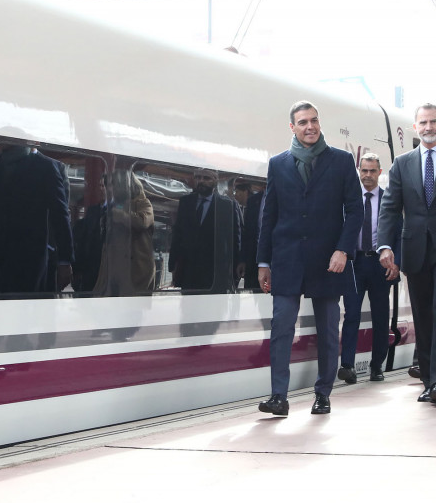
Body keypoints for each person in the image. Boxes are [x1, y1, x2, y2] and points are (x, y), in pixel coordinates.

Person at [256, 101, 363, 416]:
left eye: (314, 120)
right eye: (302, 122)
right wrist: (264, 261)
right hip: (287, 259)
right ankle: (279, 397)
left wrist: (343, 249)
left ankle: (323, 393)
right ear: (292, 127)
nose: (310, 127)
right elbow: (269, 215)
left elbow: (356, 210)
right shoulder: (278, 164)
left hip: (329, 260)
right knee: (281, 329)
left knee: (329, 330)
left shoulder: (342, 162)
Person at [377, 103, 436, 405]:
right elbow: (390, 208)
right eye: (423, 122)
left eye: (433, 122)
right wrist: (384, 245)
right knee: (423, 317)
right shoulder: (401, 164)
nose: (428, 127)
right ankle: (429, 378)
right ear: (415, 127)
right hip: (415, 250)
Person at [0, 142, 73, 296]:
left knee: (25, 307)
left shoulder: (46, 167)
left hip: (30, 256)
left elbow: (60, 214)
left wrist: (64, 260)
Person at [338, 153, 400, 384]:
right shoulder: (350, 200)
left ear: (379, 173)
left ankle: (377, 367)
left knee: (381, 316)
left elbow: (399, 234)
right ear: (359, 172)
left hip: (380, 263)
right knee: (351, 314)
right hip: (354, 263)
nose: (367, 175)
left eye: (372, 171)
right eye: (364, 170)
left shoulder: (388, 201)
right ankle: (347, 365)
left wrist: (397, 262)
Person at [169, 168, 243, 292]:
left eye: (206, 178)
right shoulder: (186, 202)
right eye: (198, 177)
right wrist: (173, 264)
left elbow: (236, 238)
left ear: (215, 180)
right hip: (188, 270)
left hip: (215, 272)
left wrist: (236, 267)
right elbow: (178, 233)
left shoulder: (227, 205)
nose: (201, 181)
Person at [72, 175, 107, 292]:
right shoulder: (92, 211)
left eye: (103, 186)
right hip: (89, 265)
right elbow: (84, 239)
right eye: (99, 186)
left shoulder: (116, 210)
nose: (100, 189)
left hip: (106, 265)